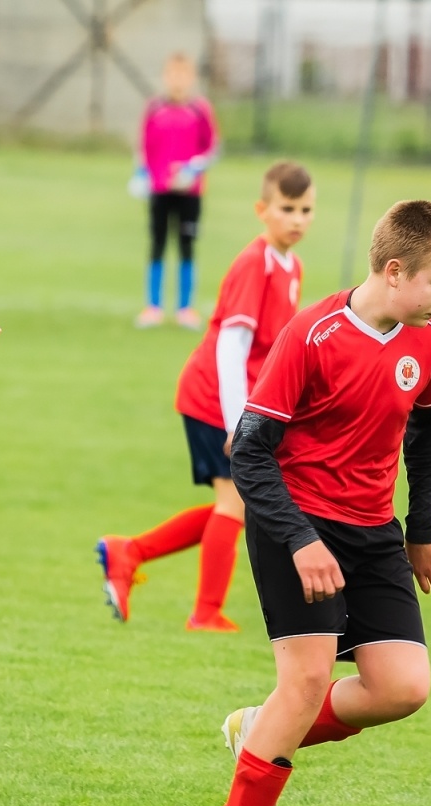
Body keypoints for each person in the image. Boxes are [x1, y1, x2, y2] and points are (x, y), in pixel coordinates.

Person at [191, 200, 431, 806]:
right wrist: (299, 541)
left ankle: (256, 730)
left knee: (402, 688)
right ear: (396, 270)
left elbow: (427, 441)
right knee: (309, 679)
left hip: (374, 532)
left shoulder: (430, 348)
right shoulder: (312, 334)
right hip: (297, 523)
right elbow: (250, 454)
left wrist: (422, 535)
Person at [99, 161, 315, 632]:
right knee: (236, 502)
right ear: (262, 210)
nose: (297, 219)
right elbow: (231, 345)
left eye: (305, 210)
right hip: (214, 399)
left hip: (238, 403)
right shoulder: (253, 263)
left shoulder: (291, 265)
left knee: (235, 505)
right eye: (287, 208)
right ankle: (206, 613)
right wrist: (240, 421)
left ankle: (129, 552)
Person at [132, 52, 218, 330]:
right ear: (165, 77)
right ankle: (153, 307)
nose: (178, 80)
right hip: (159, 191)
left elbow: (212, 148)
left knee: (186, 247)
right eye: (173, 74)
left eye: (184, 74)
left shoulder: (200, 110)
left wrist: (193, 169)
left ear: (192, 78)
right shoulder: (154, 108)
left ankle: (185, 308)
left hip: (189, 193)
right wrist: (141, 175)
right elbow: (143, 148)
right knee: (157, 245)